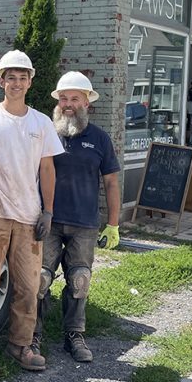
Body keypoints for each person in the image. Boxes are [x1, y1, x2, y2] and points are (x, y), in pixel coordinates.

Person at [0, 50, 62, 378]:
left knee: (28, 286)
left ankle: (21, 344)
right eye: (10, 77)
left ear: (30, 81)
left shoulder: (41, 122)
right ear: (1, 81)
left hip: (28, 216)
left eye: (22, 77)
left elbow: (47, 169)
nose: (16, 83)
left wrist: (48, 211)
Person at [34, 72, 120, 363]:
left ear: (87, 102)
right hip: (48, 220)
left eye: (74, 98)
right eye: (63, 98)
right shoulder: (46, 134)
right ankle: (33, 336)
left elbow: (110, 182)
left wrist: (114, 223)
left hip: (84, 223)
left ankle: (74, 335)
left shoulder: (99, 139)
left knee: (79, 280)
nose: (68, 104)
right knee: (40, 280)